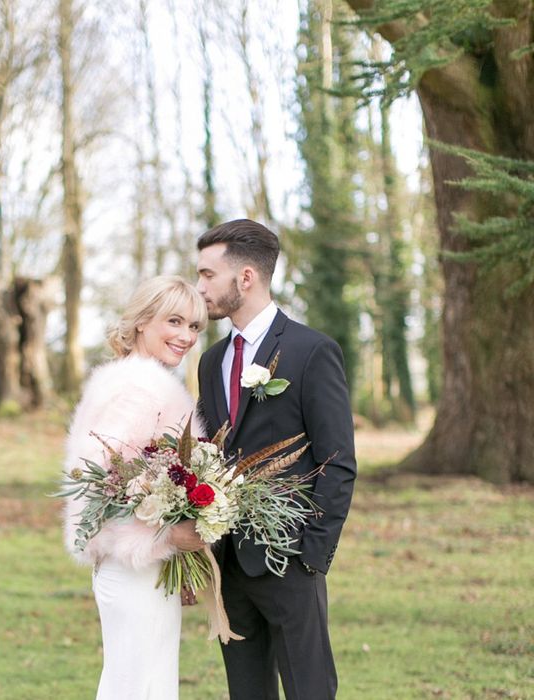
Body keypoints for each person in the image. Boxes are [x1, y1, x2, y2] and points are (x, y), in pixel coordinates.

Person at [196, 219, 357, 700]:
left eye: (208, 274)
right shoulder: (211, 361)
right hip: (229, 565)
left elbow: (338, 461)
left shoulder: (312, 351)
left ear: (245, 277)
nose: (199, 286)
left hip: (291, 562)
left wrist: (311, 558)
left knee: (310, 691)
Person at [62, 275, 208, 700]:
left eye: (195, 327)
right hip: (132, 569)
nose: (186, 336)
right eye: (175, 321)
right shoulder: (134, 388)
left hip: (146, 568)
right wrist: (167, 533)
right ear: (142, 322)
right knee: (138, 688)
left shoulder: (142, 380)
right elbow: (97, 486)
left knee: (145, 686)